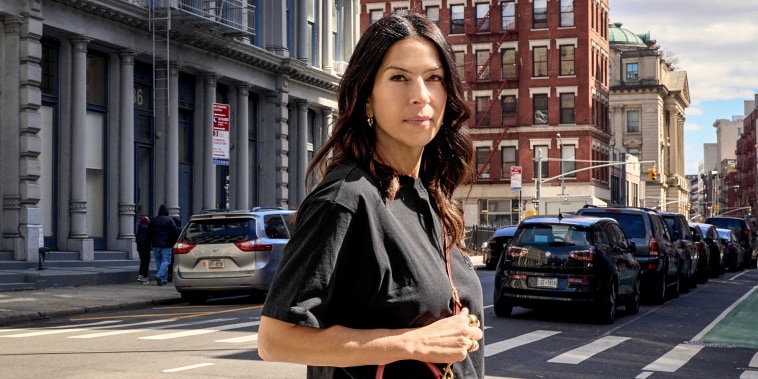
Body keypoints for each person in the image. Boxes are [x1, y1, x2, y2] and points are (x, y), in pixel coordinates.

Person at [258, 13, 484, 378]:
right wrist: (412, 343)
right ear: (367, 99)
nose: (420, 96)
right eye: (399, 78)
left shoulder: (425, 194)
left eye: (433, 79)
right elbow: (276, 339)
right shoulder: (346, 198)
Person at [147, 204, 177, 286]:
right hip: (167, 244)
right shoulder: (170, 220)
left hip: (155, 244)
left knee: (158, 261)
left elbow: (149, 232)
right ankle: (159, 275)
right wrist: (175, 241)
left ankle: (162, 279)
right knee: (166, 260)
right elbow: (174, 232)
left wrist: (149, 242)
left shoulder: (153, 220)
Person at [135, 216, 151, 284]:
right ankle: (144, 277)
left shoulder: (139, 229)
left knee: (142, 262)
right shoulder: (147, 230)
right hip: (146, 248)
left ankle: (140, 275)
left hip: (140, 248)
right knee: (146, 262)